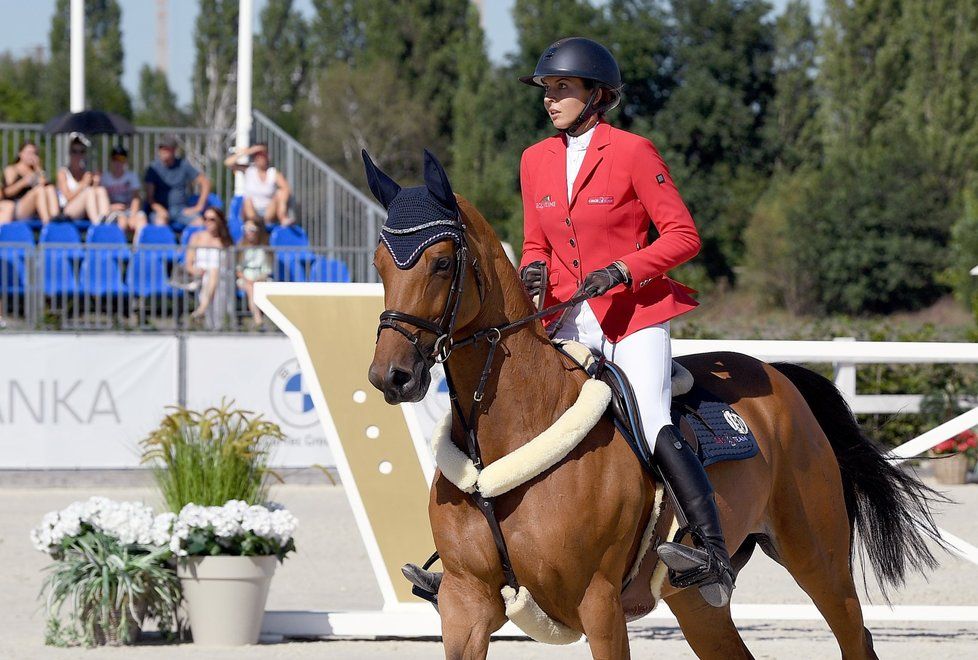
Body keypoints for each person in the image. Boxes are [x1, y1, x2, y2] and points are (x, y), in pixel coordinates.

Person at [517, 38, 734, 606]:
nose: (551, 98)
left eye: (563, 88)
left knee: (651, 413)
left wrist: (621, 269)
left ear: (598, 96)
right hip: (565, 316)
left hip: (632, 314)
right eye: (548, 88)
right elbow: (535, 243)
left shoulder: (634, 151)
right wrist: (532, 272)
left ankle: (710, 550)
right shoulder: (534, 159)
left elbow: (684, 237)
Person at [144, 135, 211, 228]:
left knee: (199, 223)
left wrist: (199, 206)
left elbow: (205, 182)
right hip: (160, 210)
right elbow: (150, 197)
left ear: (174, 150)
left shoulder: (183, 165)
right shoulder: (153, 169)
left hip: (181, 210)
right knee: (160, 224)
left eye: (166, 149)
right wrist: (160, 209)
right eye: (161, 148)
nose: (163, 151)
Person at [223, 143, 293, 226]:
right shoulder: (249, 170)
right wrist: (250, 151)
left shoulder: (273, 173)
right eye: (257, 156)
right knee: (247, 200)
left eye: (262, 155)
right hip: (251, 210)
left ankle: (282, 217)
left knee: (281, 193)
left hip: (269, 211)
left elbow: (286, 189)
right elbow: (228, 163)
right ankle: (254, 222)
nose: (260, 158)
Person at [185, 207, 233, 329]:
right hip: (200, 276)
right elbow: (188, 264)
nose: (208, 222)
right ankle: (205, 312)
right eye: (205, 219)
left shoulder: (225, 241)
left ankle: (202, 309)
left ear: (219, 221)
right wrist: (196, 271)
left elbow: (230, 265)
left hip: (221, 277)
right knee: (211, 273)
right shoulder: (196, 237)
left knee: (214, 271)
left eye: (212, 219)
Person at [56, 134, 111, 223]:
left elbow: (94, 197)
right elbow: (68, 197)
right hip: (68, 210)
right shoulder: (63, 173)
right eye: (74, 151)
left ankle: (106, 221)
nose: (78, 155)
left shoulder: (86, 173)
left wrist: (95, 183)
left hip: (86, 211)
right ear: (70, 153)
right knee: (88, 192)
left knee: (101, 190)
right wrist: (83, 184)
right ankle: (97, 224)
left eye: (81, 151)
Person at [3, 141, 60, 223]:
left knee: (50, 188)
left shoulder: (35, 170)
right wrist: (23, 183)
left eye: (34, 153)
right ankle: (47, 223)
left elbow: (45, 184)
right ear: (20, 153)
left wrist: (38, 168)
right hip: (17, 207)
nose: (32, 156)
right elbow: (7, 192)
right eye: (29, 153)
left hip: (34, 209)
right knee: (39, 190)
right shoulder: (12, 169)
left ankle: (56, 219)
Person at [101, 145, 148, 235]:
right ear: (111, 161)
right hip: (113, 211)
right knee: (122, 221)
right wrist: (111, 207)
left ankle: (137, 248)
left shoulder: (132, 176)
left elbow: (136, 197)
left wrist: (133, 215)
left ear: (125, 161)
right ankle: (120, 248)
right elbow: (102, 200)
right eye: (115, 159)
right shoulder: (105, 178)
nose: (118, 163)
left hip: (130, 210)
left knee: (141, 220)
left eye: (121, 159)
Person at [235, 219, 273, 328]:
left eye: (251, 229)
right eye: (246, 229)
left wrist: (258, 279)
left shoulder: (265, 248)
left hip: (261, 279)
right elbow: (238, 270)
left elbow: (267, 270)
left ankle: (264, 319)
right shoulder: (241, 248)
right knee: (250, 287)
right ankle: (258, 318)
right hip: (246, 279)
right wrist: (248, 280)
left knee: (256, 286)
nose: (249, 232)